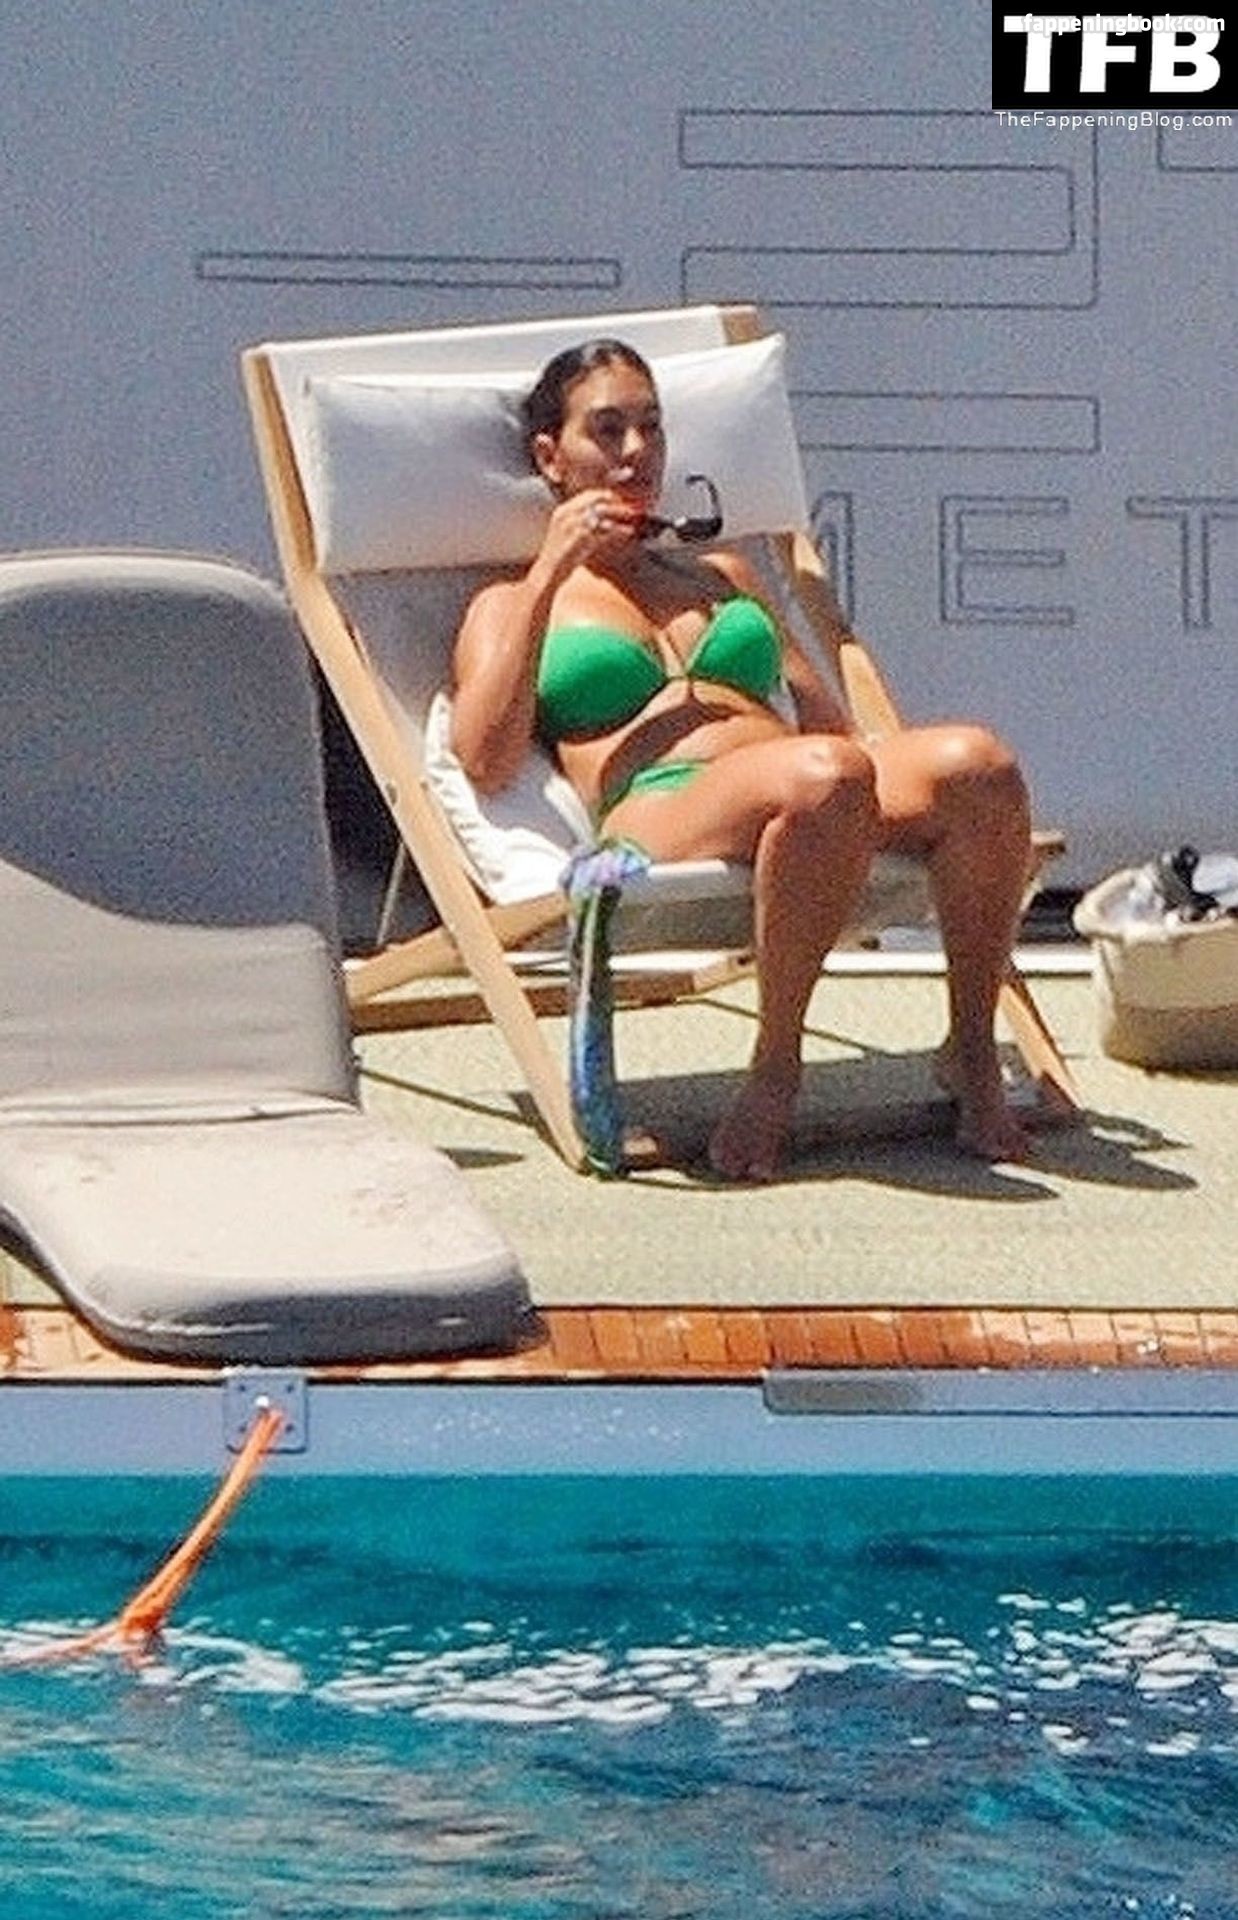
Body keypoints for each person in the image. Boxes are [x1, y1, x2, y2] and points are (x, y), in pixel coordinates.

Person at [450, 338, 1033, 1180]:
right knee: (826, 777)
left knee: (981, 765)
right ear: (550, 457)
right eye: (607, 430)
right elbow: (483, 760)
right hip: (665, 805)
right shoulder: (508, 602)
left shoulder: (721, 573)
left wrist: (886, 790)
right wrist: (549, 573)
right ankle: (776, 1069)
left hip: (806, 786)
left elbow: (829, 723)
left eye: (651, 427)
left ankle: (970, 1045)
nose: (636, 451)